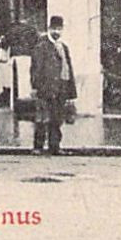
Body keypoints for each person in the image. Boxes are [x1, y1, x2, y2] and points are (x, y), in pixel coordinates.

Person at [29, 15, 78, 154]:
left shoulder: (63, 47)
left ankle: (55, 146)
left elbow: (68, 68)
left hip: (61, 87)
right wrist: (35, 86)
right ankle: (38, 146)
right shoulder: (41, 46)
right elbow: (36, 68)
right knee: (42, 118)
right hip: (46, 87)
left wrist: (71, 91)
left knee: (57, 119)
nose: (57, 32)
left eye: (59, 29)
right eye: (54, 29)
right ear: (49, 29)